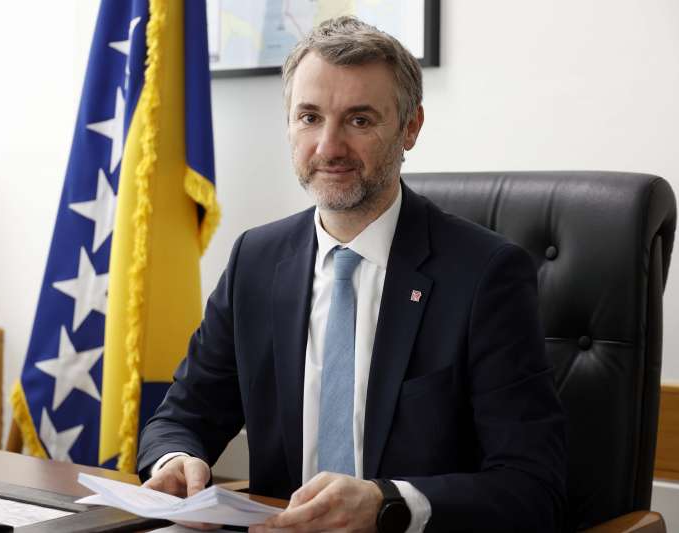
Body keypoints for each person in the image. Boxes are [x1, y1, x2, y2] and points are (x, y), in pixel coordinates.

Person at [138, 16, 566, 533]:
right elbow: (182, 417)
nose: (329, 147)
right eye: (309, 117)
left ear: (410, 127)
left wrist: (389, 504)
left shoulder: (486, 275)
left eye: (359, 120)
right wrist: (176, 460)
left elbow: (531, 486)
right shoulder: (256, 260)